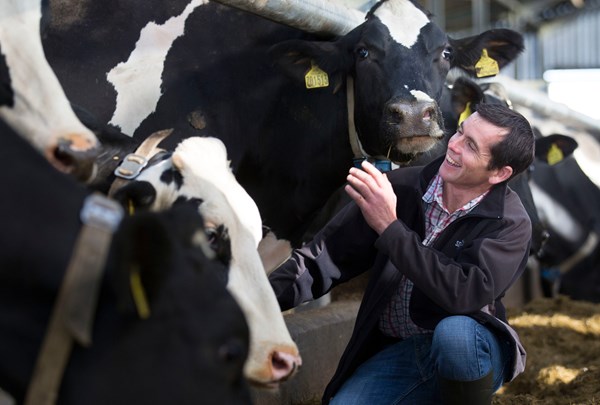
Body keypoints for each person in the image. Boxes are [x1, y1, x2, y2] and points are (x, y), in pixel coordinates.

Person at [268, 103, 535, 404]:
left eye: (471, 146)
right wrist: (253, 298)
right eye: (460, 132)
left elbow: (464, 294)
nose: (454, 146)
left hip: (470, 352)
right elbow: (321, 259)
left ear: (500, 173)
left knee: (455, 335)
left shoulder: (510, 224)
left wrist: (390, 227)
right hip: (399, 351)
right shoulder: (400, 189)